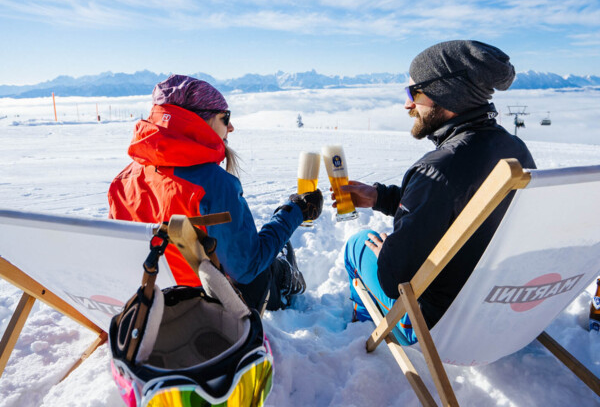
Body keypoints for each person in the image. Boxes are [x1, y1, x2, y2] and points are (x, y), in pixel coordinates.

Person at [339, 40, 536, 344]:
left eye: (413, 93)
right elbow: (459, 208)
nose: (407, 105)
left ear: (446, 93)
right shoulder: (515, 152)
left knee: (358, 244)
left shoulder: (437, 171)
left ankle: (370, 324)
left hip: (437, 326)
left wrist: (385, 257)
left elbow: (392, 281)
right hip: (501, 314)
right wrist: (382, 197)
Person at [108, 74, 323, 311]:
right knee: (266, 261)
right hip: (203, 312)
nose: (231, 127)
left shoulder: (124, 180)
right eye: (225, 117)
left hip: (145, 304)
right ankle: (286, 279)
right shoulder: (214, 184)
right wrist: (293, 212)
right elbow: (246, 268)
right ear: (199, 121)